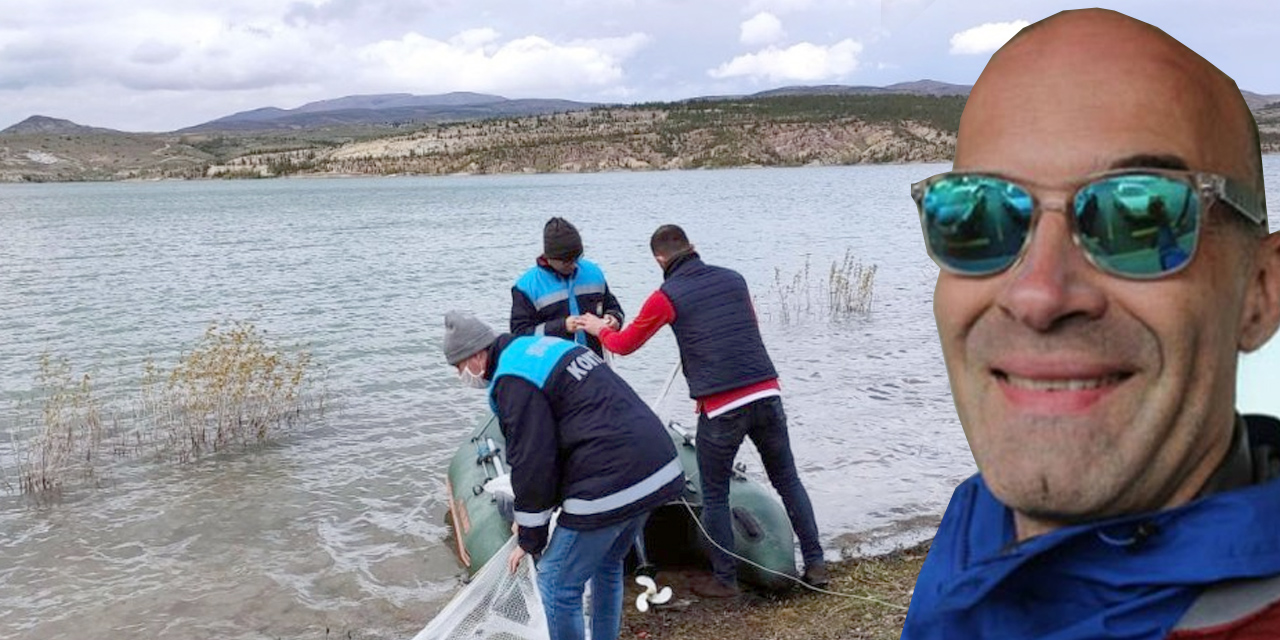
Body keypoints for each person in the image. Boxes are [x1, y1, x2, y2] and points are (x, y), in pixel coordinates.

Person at [903, 9, 1280, 640]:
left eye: (1139, 215)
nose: (1040, 294)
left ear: (1261, 295)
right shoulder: (977, 526)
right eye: (978, 217)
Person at [576, 225, 827, 597]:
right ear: (692, 247)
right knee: (787, 479)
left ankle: (724, 579)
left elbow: (625, 344)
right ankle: (817, 562)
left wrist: (599, 328)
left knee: (714, 492)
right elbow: (747, 327)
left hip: (723, 406)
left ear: (659, 259)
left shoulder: (666, 296)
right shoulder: (735, 280)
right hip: (766, 392)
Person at [442, 310, 684, 640]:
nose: (463, 376)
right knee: (607, 565)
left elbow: (533, 459)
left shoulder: (512, 379)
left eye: (459, 367)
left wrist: (530, 536)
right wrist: (531, 521)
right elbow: (565, 435)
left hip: (613, 476)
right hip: (657, 466)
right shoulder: (543, 348)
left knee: (556, 584)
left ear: (476, 355)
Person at [511, 217, 624, 358]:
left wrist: (613, 319)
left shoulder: (593, 273)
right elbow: (519, 336)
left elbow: (614, 308)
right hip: (551, 367)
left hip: (595, 364)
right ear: (549, 257)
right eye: (567, 262)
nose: (574, 265)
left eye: (577, 258)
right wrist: (562, 326)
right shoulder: (526, 286)